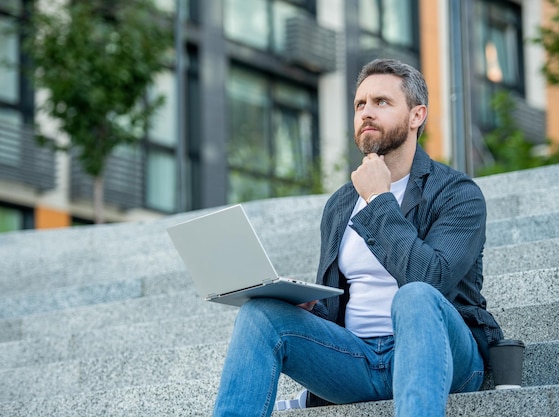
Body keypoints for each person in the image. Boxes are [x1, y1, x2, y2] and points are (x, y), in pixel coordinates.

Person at [212, 58, 503, 417]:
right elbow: (340, 304)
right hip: (356, 359)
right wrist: (307, 305)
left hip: (443, 353)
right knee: (261, 315)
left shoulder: (457, 193)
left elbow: (430, 279)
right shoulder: (341, 203)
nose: (366, 112)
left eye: (382, 102)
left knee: (414, 297)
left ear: (417, 116)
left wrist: (380, 200)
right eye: (360, 104)